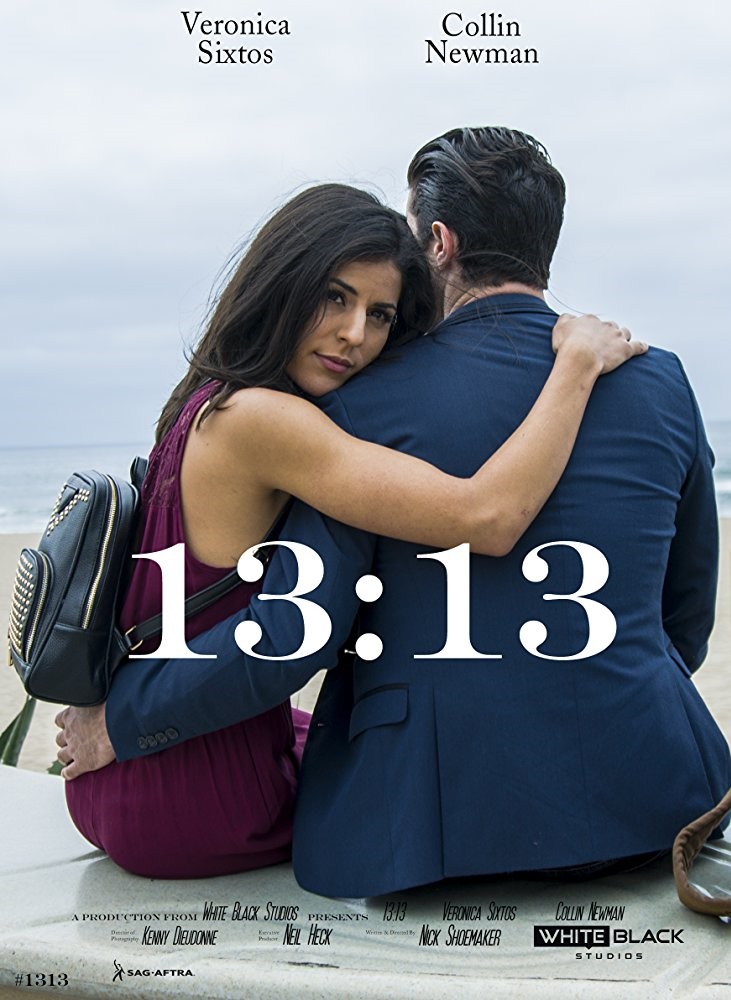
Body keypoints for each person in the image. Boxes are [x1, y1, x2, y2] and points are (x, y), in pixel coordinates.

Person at [57, 169, 653, 884]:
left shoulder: (209, 400)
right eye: (335, 298)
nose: (354, 335)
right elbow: (488, 518)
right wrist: (576, 367)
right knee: (406, 780)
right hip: (192, 803)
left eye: (379, 315)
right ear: (283, 282)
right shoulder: (267, 421)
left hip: (130, 779)